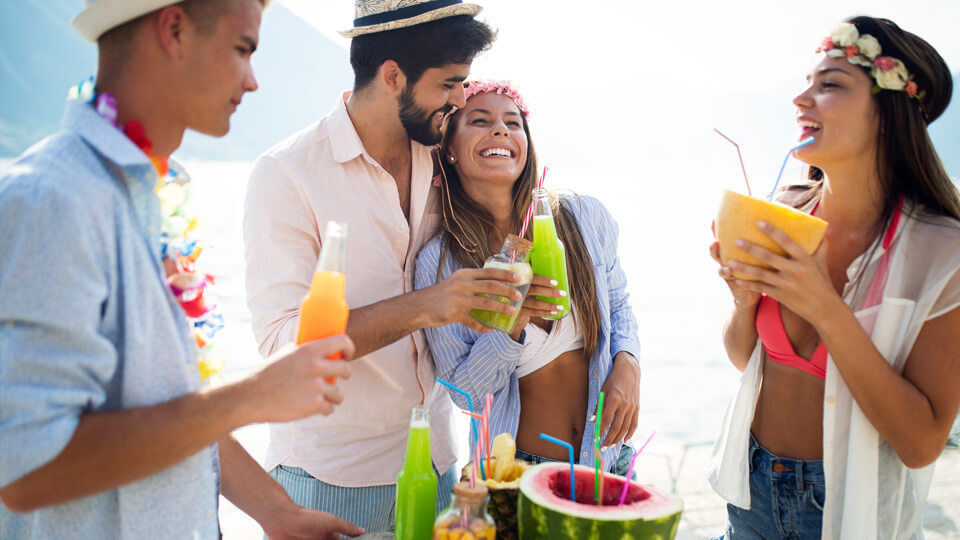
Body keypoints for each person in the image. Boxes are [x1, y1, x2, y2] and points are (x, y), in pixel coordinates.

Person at [0, 1, 365, 538]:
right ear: (173, 29)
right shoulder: (53, 199)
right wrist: (251, 397)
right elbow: (27, 469)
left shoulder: (155, 191)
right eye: (243, 49)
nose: (254, 81)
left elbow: (170, 414)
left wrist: (277, 513)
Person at [242, 0, 508, 533]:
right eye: (449, 84)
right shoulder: (287, 174)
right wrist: (428, 306)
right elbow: (283, 344)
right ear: (392, 76)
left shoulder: (441, 156)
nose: (460, 100)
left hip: (438, 465)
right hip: (329, 481)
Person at [707, 16, 960, 539]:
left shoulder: (942, 253)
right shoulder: (784, 213)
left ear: (889, 114)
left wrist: (824, 305)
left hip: (847, 511)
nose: (801, 100)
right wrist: (744, 302)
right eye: (806, 83)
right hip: (750, 490)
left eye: (829, 85)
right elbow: (745, 358)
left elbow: (920, 445)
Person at [414, 80, 643, 475]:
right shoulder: (441, 263)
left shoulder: (583, 217)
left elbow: (619, 305)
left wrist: (629, 365)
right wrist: (512, 324)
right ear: (448, 149)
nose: (500, 130)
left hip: (610, 463)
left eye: (512, 122)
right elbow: (466, 394)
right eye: (480, 120)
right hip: (518, 473)